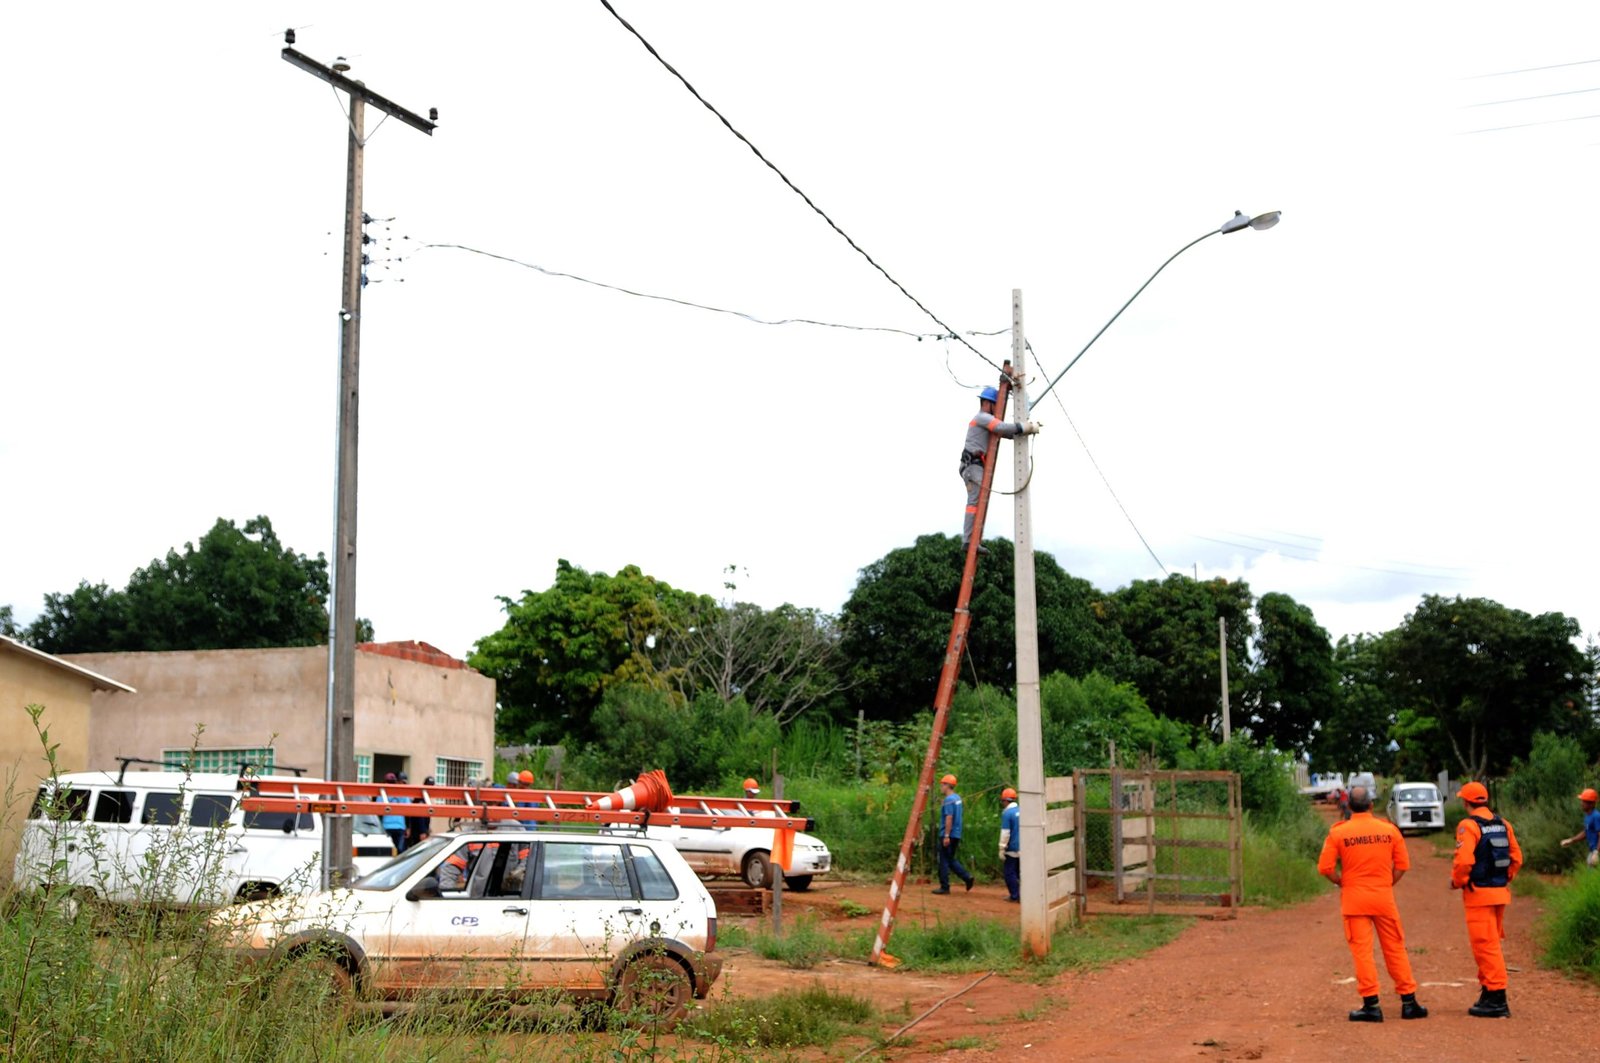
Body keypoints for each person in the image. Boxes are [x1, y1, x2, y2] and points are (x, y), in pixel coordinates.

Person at [1316, 784, 1427, 1022]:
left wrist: (1340, 881)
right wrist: (1387, 884)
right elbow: (1403, 866)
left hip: (1354, 899)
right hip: (1383, 897)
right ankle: (1409, 1002)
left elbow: (1324, 867)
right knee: (1395, 948)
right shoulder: (1389, 830)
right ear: (1371, 805)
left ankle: (1371, 1005)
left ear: (1348, 806)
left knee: (1362, 952)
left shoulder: (1338, 832)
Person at [1451, 781, 1523, 1018]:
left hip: (1478, 894)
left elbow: (1463, 861)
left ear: (1466, 802)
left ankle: (1497, 998)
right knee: (1490, 943)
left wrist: (1459, 881)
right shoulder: (1503, 823)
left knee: (1485, 946)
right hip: (1499, 892)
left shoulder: (1468, 826)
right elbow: (1516, 858)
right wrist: (1504, 879)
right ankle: (1488, 993)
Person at [958, 386, 1039, 551]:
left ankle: (971, 541)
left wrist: (1025, 430)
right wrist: (1024, 427)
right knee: (974, 502)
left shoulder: (985, 421)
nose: (997, 411)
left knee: (976, 502)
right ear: (988, 403)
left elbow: (1005, 433)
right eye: (996, 406)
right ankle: (968, 541)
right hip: (972, 466)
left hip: (974, 466)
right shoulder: (982, 417)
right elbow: (1001, 428)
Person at [932, 774, 973, 894]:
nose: (941, 787)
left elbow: (949, 817)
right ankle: (967, 877)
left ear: (948, 786)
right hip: (956, 834)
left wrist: (946, 835)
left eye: (942, 784)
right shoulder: (957, 798)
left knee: (943, 860)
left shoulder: (949, 800)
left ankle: (945, 887)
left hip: (948, 834)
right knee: (950, 859)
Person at [1558, 787, 1600, 868]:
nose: (1581, 803)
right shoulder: (1588, 816)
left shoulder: (1596, 816)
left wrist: (1596, 852)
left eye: (1584, 801)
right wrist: (1571, 840)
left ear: (1591, 804)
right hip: (1592, 852)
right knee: (1590, 877)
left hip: (1596, 853)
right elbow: (1586, 832)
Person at [998, 786, 1021, 902]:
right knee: (1019, 872)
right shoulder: (1021, 810)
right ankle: (1023, 894)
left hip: (1012, 848)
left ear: (1006, 800)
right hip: (1024, 847)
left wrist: (1002, 848)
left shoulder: (1007, 814)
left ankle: (1015, 895)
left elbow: (1005, 833)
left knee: (1009, 873)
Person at [380, 772, 409, 853]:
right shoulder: (404, 793)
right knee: (399, 851)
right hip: (399, 826)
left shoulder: (382, 793)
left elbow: (378, 808)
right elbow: (409, 809)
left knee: (387, 851)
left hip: (387, 826)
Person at [403, 773, 430, 851]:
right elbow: (420, 816)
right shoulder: (421, 798)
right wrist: (423, 831)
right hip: (417, 832)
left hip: (418, 830)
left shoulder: (423, 798)